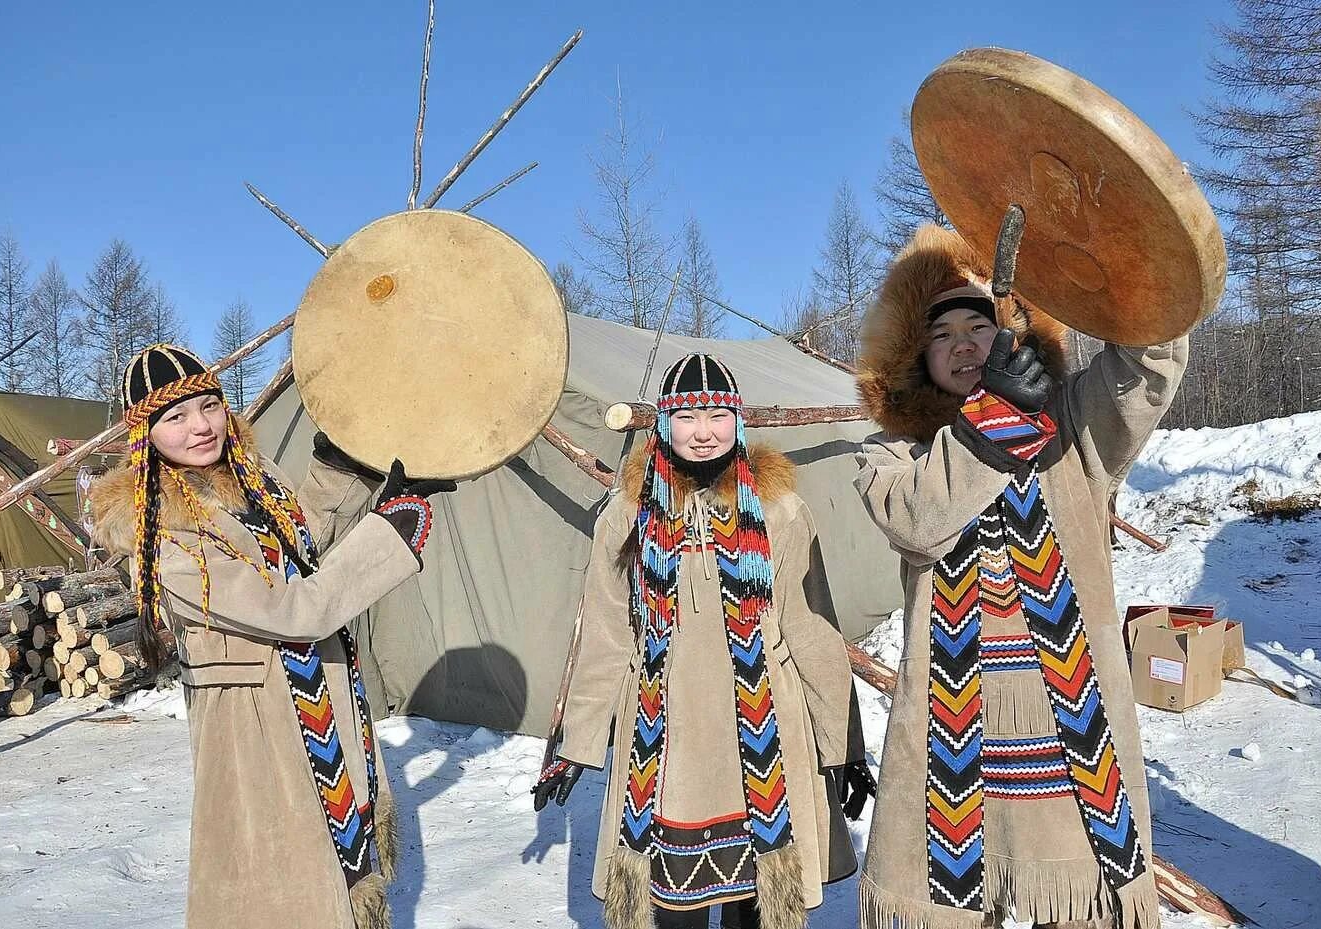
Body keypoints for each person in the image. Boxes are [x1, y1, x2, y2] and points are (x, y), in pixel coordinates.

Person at [852, 225, 1189, 929]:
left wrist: (1123, 245)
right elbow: (919, 521)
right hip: (954, 745)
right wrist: (994, 416)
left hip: (1074, 743)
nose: (965, 344)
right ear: (918, 357)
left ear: (1013, 335)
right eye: (943, 335)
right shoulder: (888, 456)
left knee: (1079, 905)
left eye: (980, 324)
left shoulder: (1073, 423)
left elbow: (1147, 369)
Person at [91, 344, 452, 929]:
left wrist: (343, 468)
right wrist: (393, 529)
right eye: (175, 418)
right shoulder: (160, 538)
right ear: (145, 435)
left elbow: (303, 541)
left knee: (337, 872)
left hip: (320, 708)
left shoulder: (252, 482)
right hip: (255, 730)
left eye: (209, 406)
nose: (201, 427)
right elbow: (293, 609)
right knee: (278, 887)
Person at [533, 353, 873, 929]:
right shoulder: (627, 514)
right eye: (689, 417)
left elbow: (812, 629)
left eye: (718, 415)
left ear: (737, 422)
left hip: (766, 741)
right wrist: (578, 744)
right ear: (664, 424)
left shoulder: (781, 511)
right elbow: (607, 633)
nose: (704, 432)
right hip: (664, 742)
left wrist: (844, 745)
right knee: (671, 912)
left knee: (758, 908)